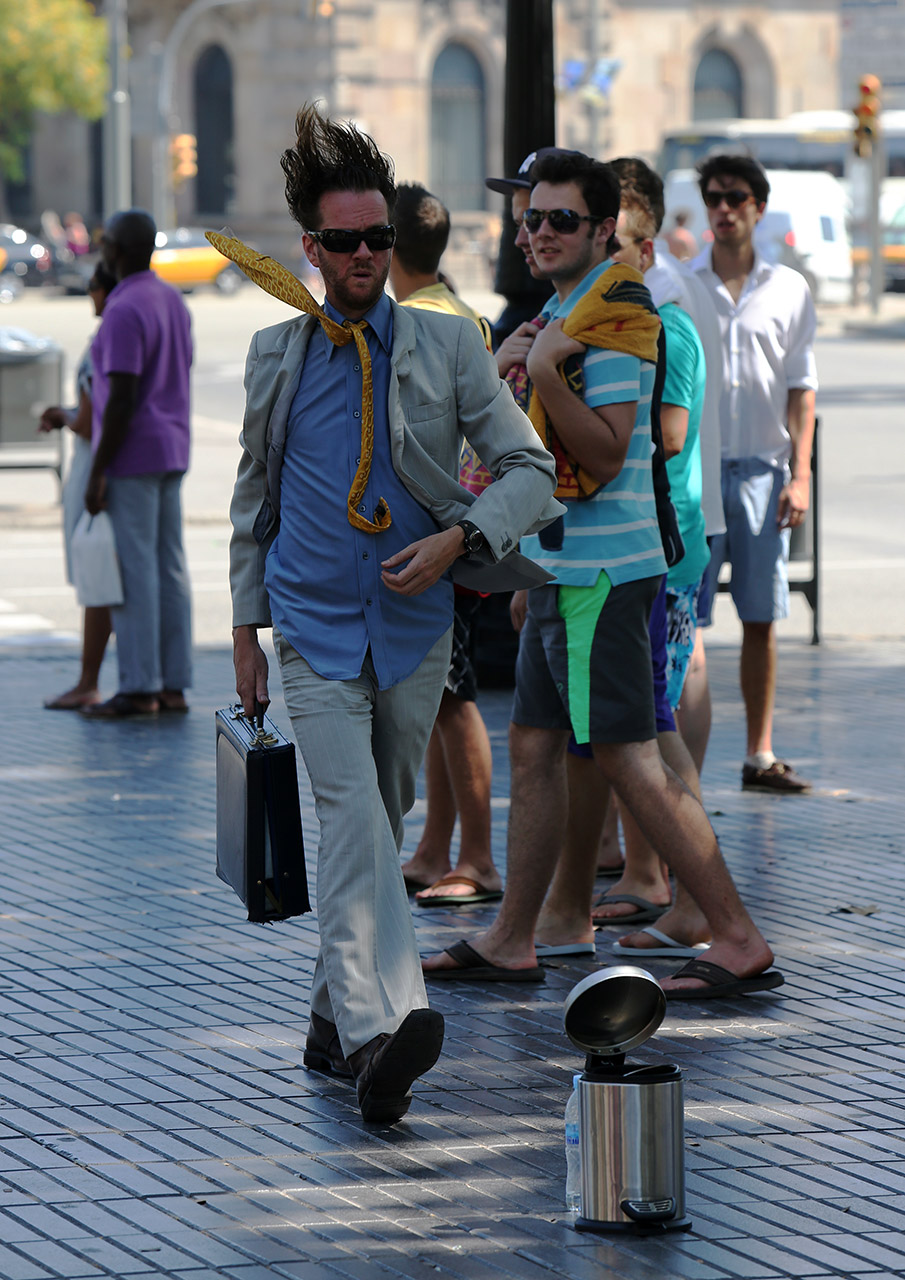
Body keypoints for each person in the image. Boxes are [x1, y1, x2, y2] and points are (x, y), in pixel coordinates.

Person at [222, 104, 562, 1123]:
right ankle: (383, 1030)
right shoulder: (275, 355)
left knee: (379, 818)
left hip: (415, 632)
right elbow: (252, 501)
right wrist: (245, 630)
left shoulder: (447, 345)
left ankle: (329, 1023)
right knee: (353, 819)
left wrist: (460, 541)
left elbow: (530, 470)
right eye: (344, 241)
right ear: (311, 248)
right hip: (312, 628)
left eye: (378, 237)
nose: (365, 254)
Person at [422, 148, 782, 1000]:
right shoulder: (565, 307)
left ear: (602, 229)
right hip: (563, 569)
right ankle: (517, 935)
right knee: (534, 745)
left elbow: (609, 449)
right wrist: (516, 369)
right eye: (529, 218)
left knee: (627, 758)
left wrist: (544, 370)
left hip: (605, 577)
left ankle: (734, 935)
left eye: (560, 219)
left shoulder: (615, 311)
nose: (537, 233)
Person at [386, 183, 501, 909]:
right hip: (456, 532)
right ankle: (436, 848)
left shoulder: (418, 323)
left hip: (439, 538)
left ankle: (478, 858)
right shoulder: (460, 312)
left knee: (454, 699)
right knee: (437, 696)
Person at [691, 156, 818, 792]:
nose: (723, 208)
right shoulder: (682, 285)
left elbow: (802, 388)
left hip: (765, 473)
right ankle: (680, 760)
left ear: (758, 207)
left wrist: (800, 475)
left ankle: (758, 753)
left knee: (761, 615)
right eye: (714, 197)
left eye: (735, 197)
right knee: (686, 618)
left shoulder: (788, 288)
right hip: (696, 472)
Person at [80, 209, 194, 719]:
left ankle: (139, 686)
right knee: (170, 568)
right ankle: (173, 684)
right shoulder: (172, 299)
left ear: (118, 250)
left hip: (132, 453)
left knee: (136, 572)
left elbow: (122, 398)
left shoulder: (123, 308)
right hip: (172, 448)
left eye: (106, 241)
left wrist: (97, 470)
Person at [40, 264, 118, 710]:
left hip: (95, 464)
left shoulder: (106, 339)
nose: (89, 294)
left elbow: (89, 421)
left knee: (97, 577)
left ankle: (89, 680)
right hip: (110, 462)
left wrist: (62, 415)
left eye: (92, 286)